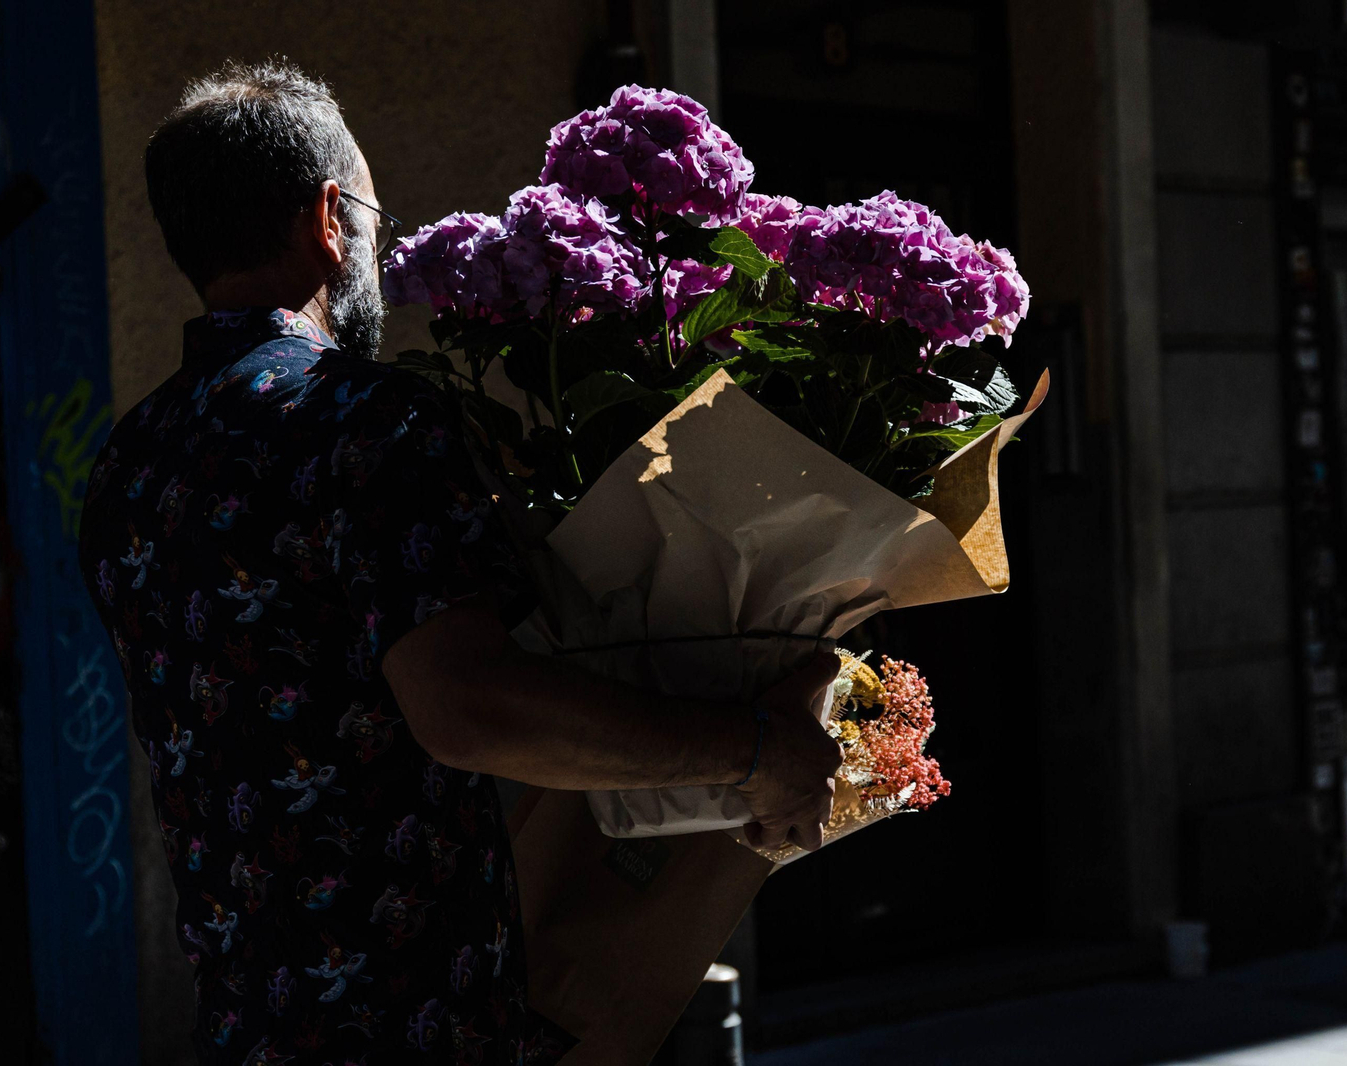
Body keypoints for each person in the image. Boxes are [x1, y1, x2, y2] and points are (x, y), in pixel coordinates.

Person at [78, 58, 841, 1066]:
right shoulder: (365, 419)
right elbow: (467, 708)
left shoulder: (128, 461)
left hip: (245, 1027)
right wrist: (755, 750)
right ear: (326, 218)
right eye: (374, 220)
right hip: (412, 1028)